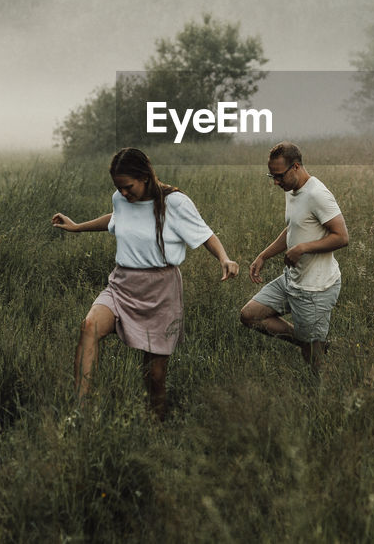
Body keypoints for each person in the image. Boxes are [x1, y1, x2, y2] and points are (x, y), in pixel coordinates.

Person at [52, 147, 238, 420]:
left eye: (128, 187)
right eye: (119, 189)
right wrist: (78, 227)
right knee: (89, 326)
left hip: (161, 291)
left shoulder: (175, 203)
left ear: (145, 177)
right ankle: (81, 413)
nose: (124, 194)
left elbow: (205, 233)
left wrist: (224, 258)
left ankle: (156, 425)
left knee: (154, 375)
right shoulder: (121, 198)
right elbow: (116, 219)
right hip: (121, 284)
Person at [240, 141, 349, 372]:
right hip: (292, 280)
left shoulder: (318, 195)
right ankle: (308, 340)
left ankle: (322, 398)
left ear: (296, 167)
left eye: (279, 176)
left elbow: (341, 237)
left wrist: (303, 248)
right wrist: (264, 255)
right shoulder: (291, 190)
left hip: (315, 289)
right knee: (249, 316)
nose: (276, 182)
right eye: (272, 177)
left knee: (314, 364)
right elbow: (294, 227)